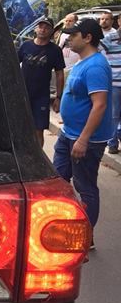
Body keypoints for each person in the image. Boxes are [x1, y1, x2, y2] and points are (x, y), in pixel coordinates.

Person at [53, 18, 114, 242]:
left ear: (88, 38)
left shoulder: (96, 66)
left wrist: (83, 139)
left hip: (84, 139)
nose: (68, 38)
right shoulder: (83, 61)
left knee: (85, 186)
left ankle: (84, 238)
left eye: (73, 35)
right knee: (57, 179)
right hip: (69, 133)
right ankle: (62, 227)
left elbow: (100, 105)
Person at [17, 18, 65, 147]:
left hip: (41, 97)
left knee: (38, 130)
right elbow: (13, 65)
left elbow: (59, 74)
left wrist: (58, 97)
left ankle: (37, 156)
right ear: (35, 29)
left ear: (51, 31)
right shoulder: (26, 46)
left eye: (46, 28)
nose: (43, 30)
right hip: (22, 95)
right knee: (19, 128)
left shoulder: (55, 50)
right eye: (40, 27)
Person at [102, 20, 121, 154]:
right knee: (114, 115)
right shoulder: (110, 37)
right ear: (119, 21)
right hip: (115, 84)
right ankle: (112, 143)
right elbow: (95, 50)